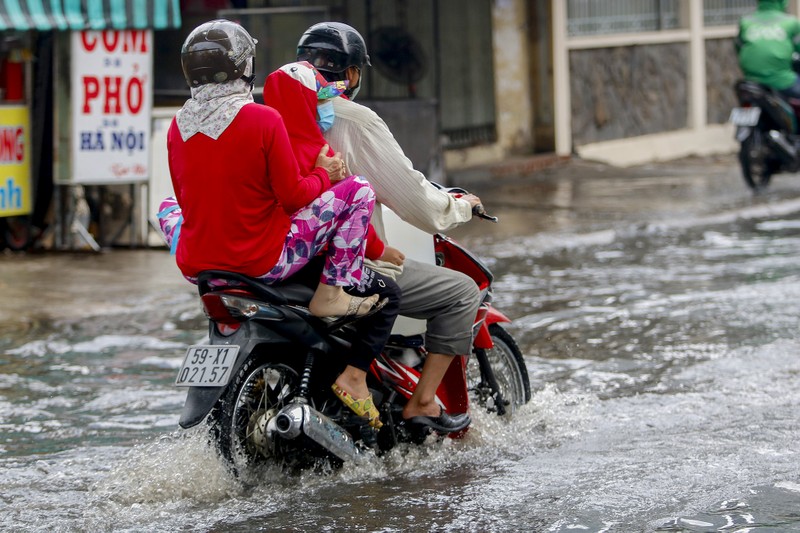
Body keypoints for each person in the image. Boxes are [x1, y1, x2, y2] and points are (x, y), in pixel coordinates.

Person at [160, 19, 394, 428]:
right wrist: (328, 174)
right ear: (244, 66)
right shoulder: (263, 119)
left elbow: (185, 199)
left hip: (200, 262)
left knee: (165, 205)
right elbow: (295, 196)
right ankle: (334, 294)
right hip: (261, 259)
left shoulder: (176, 128)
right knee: (358, 190)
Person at [295, 22, 483, 434]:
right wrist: (458, 209)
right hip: (343, 270)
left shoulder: (271, 116)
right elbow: (412, 197)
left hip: (284, 262)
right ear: (353, 74)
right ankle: (422, 402)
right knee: (461, 292)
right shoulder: (356, 121)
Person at [736, 0, 800, 100]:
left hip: (750, 81)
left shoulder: (745, 21)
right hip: (781, 80)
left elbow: (738, 48)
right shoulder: (791, 22)